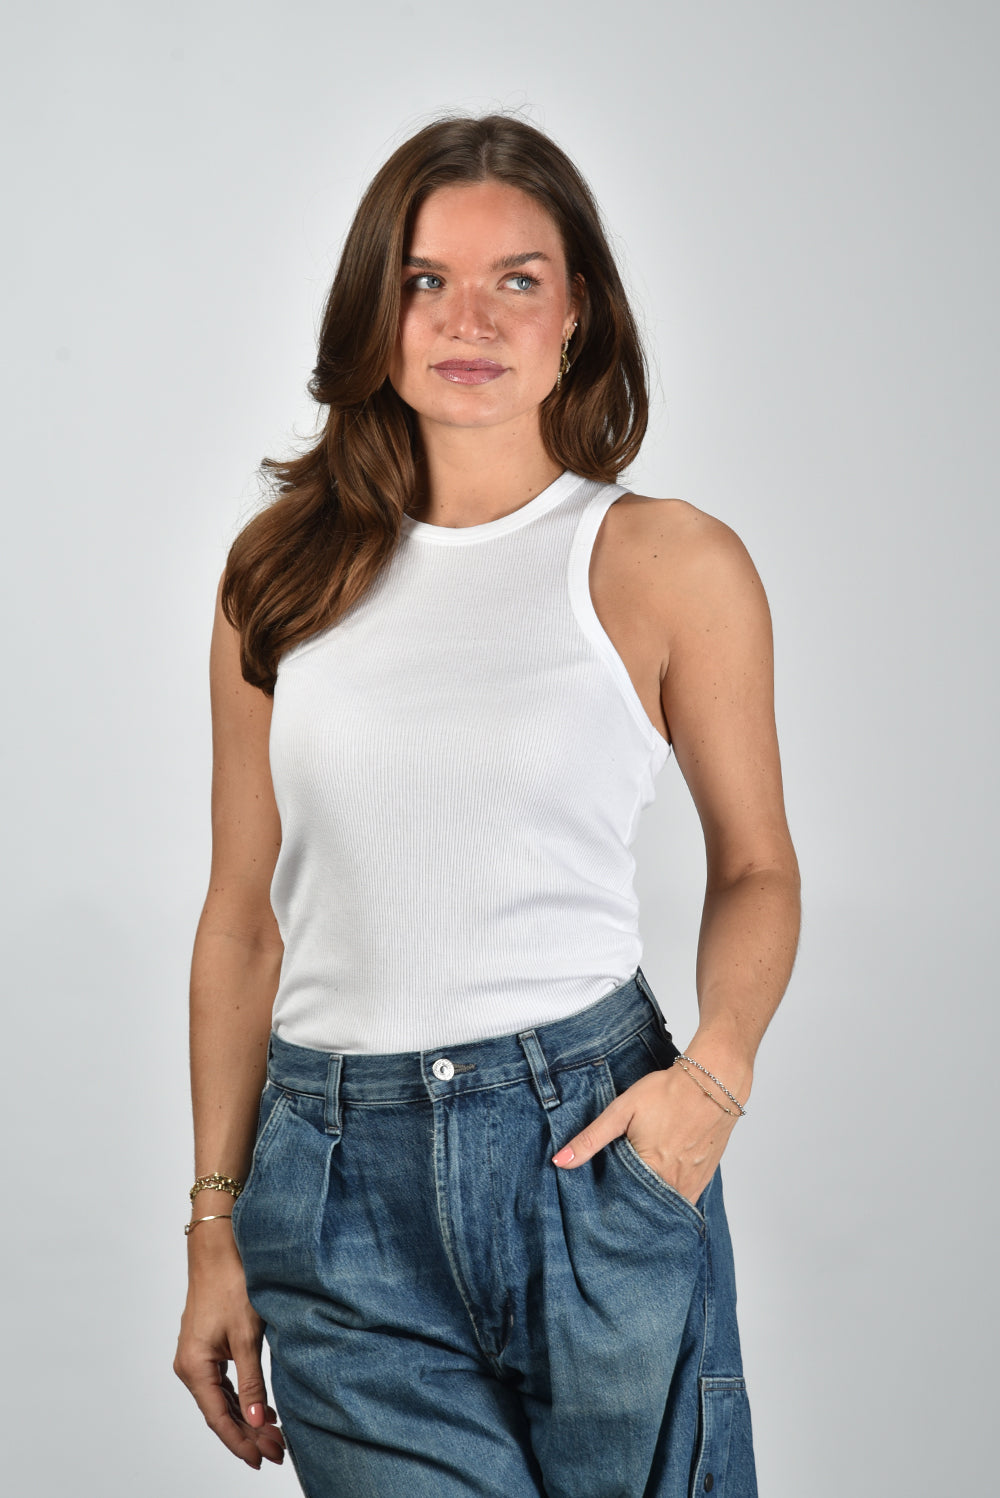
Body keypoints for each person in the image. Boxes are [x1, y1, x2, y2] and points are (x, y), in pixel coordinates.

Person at [173, 112, 801, 1498]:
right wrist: (213, 1223)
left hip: (588, 1154)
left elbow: (756, 865)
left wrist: (714, 1080)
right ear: (374, 310)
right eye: (425, 280)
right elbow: (242, 917)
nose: (471, 318)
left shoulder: (667, 562)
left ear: (577, 313)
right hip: (331, 1186)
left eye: (518, 278)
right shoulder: (277, 576)